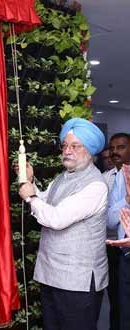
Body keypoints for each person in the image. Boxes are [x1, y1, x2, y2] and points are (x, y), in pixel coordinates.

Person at [18, 118, 108, 330]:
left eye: (75, 146)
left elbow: (56, 218)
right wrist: (29, 183)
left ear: (90, 151)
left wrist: (31, 197)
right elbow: (44, 203)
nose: (67, 151)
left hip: (78, 282)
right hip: (52, 275)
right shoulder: (62, 178)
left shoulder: (96, 185)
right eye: (65, 145)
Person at [103, 133, 130, 330]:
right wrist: (127, 200)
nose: (114, 152)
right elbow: (110, 221)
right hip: (123, 254)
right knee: (122, 309)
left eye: (121, 147)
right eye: (112, 148)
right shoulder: (117, 177)